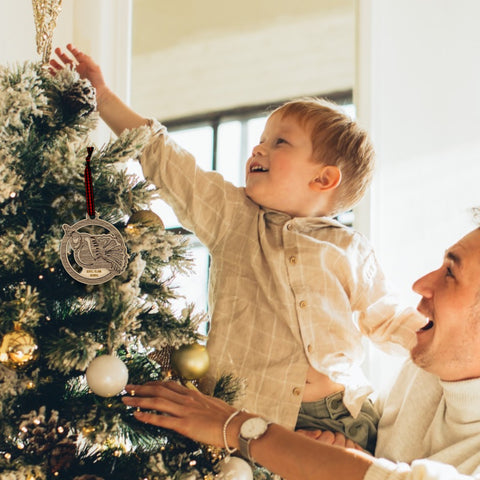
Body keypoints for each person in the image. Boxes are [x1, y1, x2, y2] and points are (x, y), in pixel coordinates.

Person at [50, 45, 426, 453]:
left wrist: (444, 341)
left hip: (338, 416)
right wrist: (102, 96)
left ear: (323, 179)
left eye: (279, 142)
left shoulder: (349, 248)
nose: (257, 149)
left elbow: (387, 319)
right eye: (261, 139)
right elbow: (168, 160)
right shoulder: (234, 218)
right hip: (245, 412)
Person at [122, 225, 480, 479]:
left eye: (450, 273)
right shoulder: (427, 368)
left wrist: (235, 426)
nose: (421, 285)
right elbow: (381, 463)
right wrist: (350, 454)